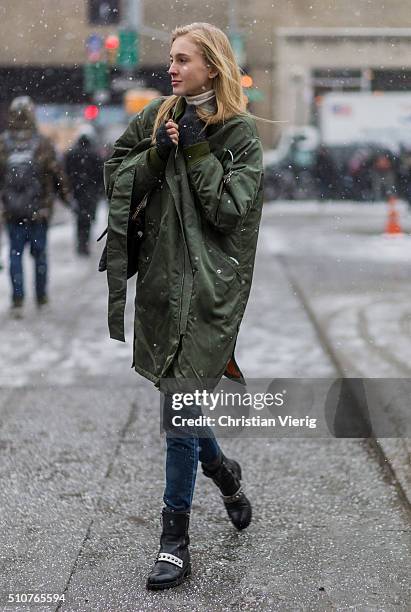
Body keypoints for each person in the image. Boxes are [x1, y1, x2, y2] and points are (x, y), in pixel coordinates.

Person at [104, 22, 264, 590]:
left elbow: (228, 212)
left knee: (178, 409)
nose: (171, 68)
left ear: (212, 67)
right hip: (163, 286)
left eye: (182, 59)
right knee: (183, 400)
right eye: (170, 59)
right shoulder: (158, 115)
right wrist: (156, 153)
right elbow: (116, 174)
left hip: (210, 292)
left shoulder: (240, 134)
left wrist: (194, 146)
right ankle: (223, 472)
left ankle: (174, 543)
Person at [0, 96, 71, 317]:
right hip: (39, 211)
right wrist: (66, 198)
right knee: (40, 256)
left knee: (15, 256)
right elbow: (57, 174)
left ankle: (18, 301)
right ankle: (41, 298)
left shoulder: (3, 144)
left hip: (12, 212)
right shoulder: (42, 143)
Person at [65, 129, 104, 255]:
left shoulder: (72, 154)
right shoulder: (95, 154)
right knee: (88, 219)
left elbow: (66, 173)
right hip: (91, 192)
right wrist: (100, 190)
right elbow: (100, 174)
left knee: (79, 218)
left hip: (77, 191)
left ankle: (80, 243)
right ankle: (85, 244)